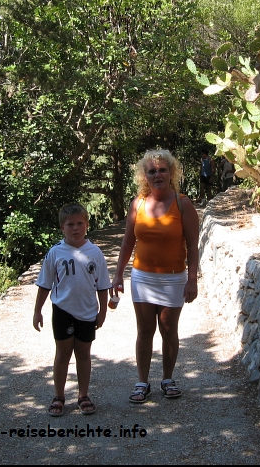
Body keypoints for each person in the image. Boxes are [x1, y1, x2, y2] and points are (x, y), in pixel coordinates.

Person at [111, 149, 199, 403]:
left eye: (162, 170)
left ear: (171, 173)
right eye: (152, 171)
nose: (157, 174)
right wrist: (118, 275)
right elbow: (127, 243)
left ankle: (168, 378)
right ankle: (142, 382)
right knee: (145, 330)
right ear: (144, 176)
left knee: (169, 330)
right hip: (143, 277)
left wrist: (192, 279)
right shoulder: (137, 204)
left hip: (173, 278)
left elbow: (192, 245)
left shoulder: (183, 204)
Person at [33, 203, 111, 417]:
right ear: (62, 228)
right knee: (63, 355)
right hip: (62, 310)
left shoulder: (95, 253)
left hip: (87, 312)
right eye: (70, 224)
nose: (75, 228)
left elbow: (103, 286)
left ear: (86, 224)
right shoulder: (55, 253)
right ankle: (59, 396)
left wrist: (102, 311)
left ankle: (83, 395)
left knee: (84, 355)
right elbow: (45, 284)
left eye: (79, 223)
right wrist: (37, 310)